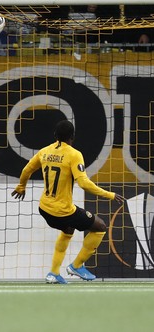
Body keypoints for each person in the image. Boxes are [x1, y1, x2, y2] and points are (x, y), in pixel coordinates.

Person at [11, 120, 126, 284]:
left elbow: (27, 169)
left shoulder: (45, 151)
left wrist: (22, 186)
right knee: (100, 227)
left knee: (68, 229)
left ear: (55, 136)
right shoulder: (74, 154)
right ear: (72, 136)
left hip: (44, 208)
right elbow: (84, 184)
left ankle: (53, 273)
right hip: (63, 211)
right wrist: (110, 195)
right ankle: (77, 266)